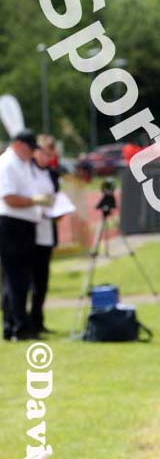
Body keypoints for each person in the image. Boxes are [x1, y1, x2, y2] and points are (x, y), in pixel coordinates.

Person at [0, 129, 54, 341]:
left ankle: (17, 324)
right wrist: (36, 201)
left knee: (20, 279)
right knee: (16, 279)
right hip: (13, 225)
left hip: (24, 225)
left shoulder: (22, 164)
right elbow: (9, 198)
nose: (32, 153)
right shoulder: (8, 163)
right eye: (30, 149)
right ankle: (18, 327)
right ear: (20, 145)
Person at [30, 136, 58, 335]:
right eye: (44, 153)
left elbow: (56, 198)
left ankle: (38, 320)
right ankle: (21, 321)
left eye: (50, 154)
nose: (47, 157)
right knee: (26, 281)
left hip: (47, 232)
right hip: (28, 232)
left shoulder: (52, 174)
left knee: (42, 280)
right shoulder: (26, 171)